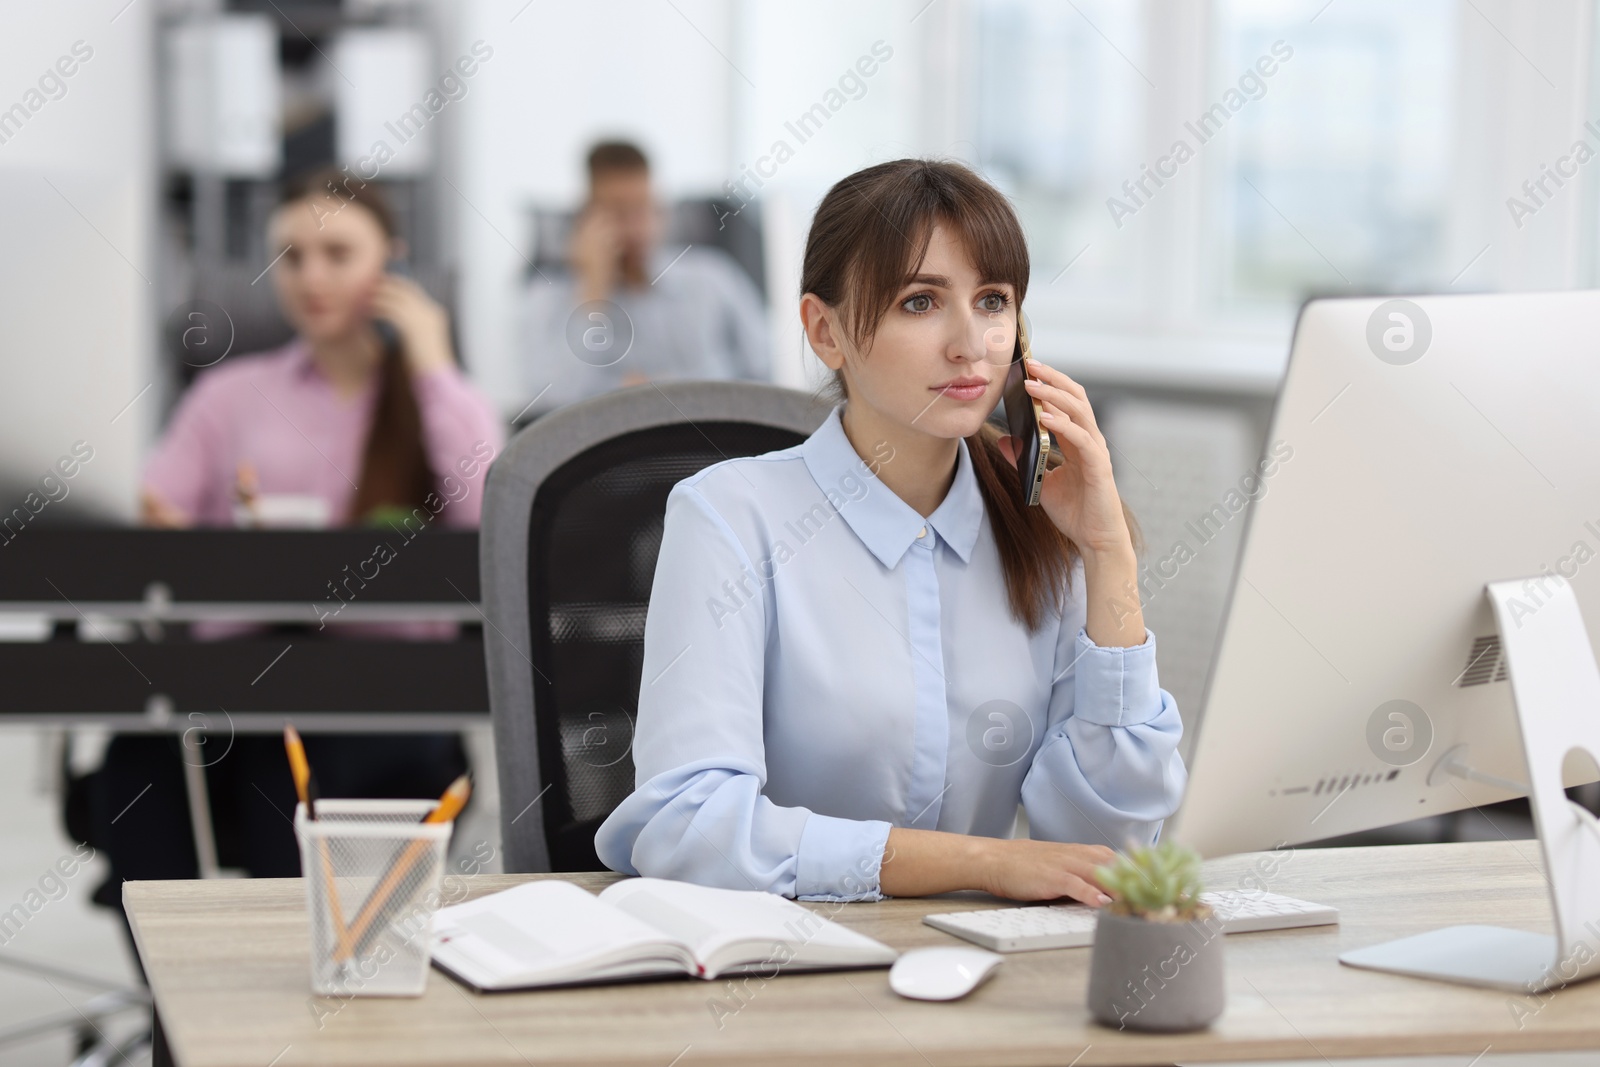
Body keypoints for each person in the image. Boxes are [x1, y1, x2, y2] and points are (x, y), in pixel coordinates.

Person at [595, 159, 1185, 904]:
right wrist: (979, 861)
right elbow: (688, 826)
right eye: (920, 302)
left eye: (993, 300)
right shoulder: (729, 517)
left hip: (979, 973)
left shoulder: (1045, 523)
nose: (970, 343)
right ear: (825, 330)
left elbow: (1111, 845)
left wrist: (1108, 555)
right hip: (780, 978)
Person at [88, 169, 504, 910]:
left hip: (382, 703)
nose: (311, 275)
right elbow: (158, 512)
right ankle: (182, 1007)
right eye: (291, 256)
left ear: (393, 264)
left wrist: (432, 359)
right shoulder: (229, 394)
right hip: (230, 688)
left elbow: (490, 517)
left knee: (284, 766)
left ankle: (284, 1005)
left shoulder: (431, 399)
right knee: (135, 768)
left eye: (338, 252)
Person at [519, 140, 770, 413]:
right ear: (587, 219)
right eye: (618, 212)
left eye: (643, 209)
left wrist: (672, 391)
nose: (635, 228)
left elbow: (765, 371)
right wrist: (591, 293)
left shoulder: (712, 278)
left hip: (716, 438)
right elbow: (550, 402)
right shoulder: (549, 297)